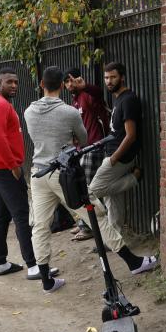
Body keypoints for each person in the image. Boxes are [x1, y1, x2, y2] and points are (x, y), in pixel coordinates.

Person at [25, 66, 157, 293]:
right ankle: (133, 262)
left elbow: (34, 137)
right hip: (64, 175)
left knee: (40, 225)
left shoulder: (28, 112)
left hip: (38, 173)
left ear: (41, 85)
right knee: (96, 215)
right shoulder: (69, 112)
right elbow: (84, 138)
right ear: (61, 85)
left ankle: (46, 279)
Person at [0, 67, 57, 281]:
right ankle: (34, 265)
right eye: (9, 82)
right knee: (22, 215)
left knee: (3, 216)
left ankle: (1, 262)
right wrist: (14, 166)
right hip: (6, 169)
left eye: (16, 82)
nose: (14, 85)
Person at [89, 62, 143, 230]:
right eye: (106, 78)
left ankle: (133, 179)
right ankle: (117, 238)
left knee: (92, 192)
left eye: (113, 77)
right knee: (112, 198)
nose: (109, 81)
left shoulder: (128, 100)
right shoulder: (119, 99)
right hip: (112, 154)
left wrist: (113, 159)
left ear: (122, 77)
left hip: (119, 158)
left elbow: (131, 135)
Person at [64, 67, 110, 241]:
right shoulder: (76, 100)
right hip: (83, 149)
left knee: (88, 189)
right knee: (82, 187)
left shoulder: (87, 95)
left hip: (95, 147)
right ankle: (85, 224)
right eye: (67, 82)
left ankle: (90, 227)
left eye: (72, 80)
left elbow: (99, 95)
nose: (70, 84)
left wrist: (86, 86)